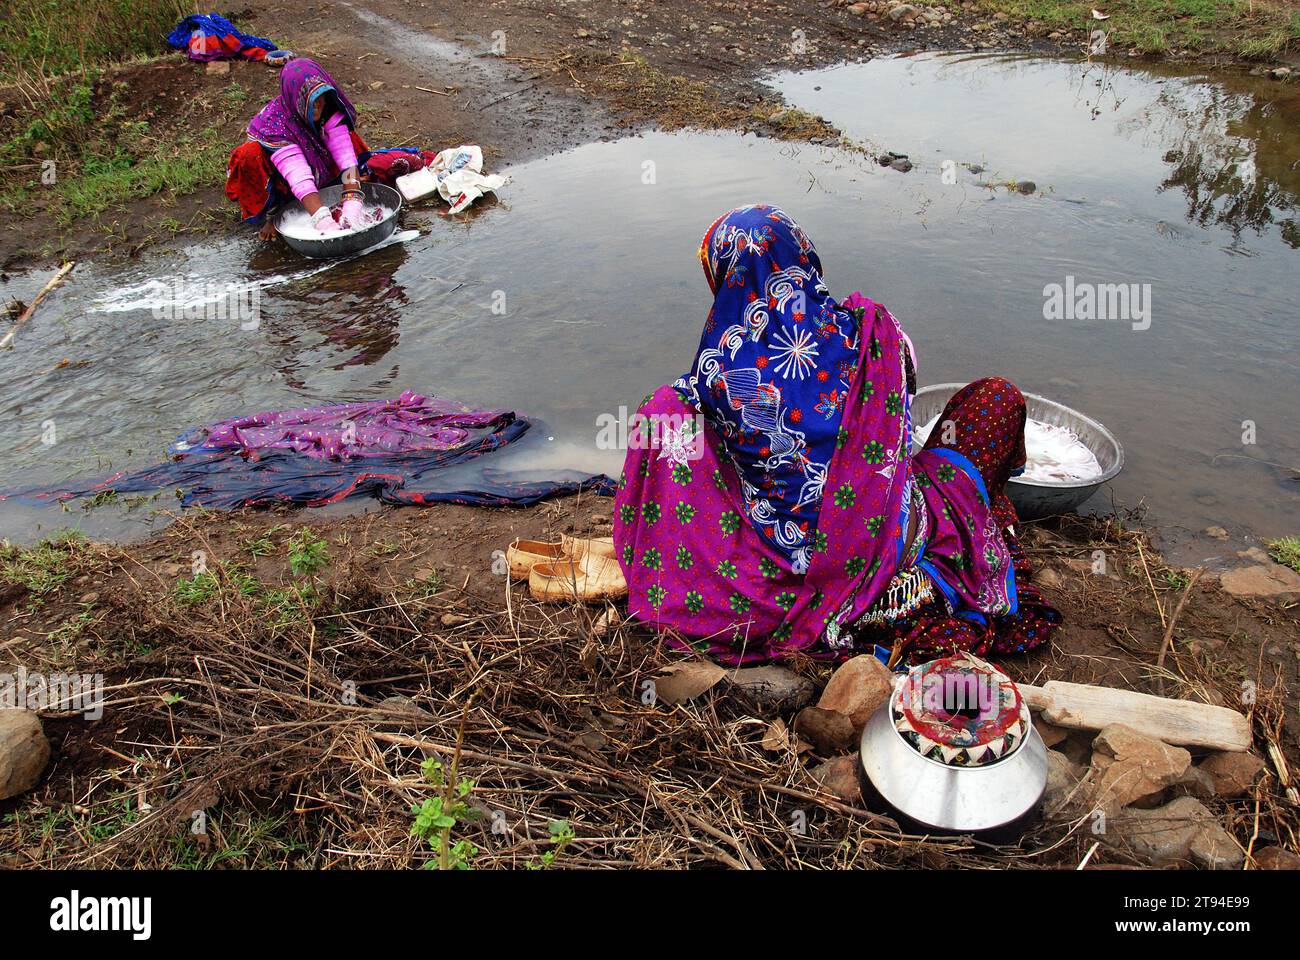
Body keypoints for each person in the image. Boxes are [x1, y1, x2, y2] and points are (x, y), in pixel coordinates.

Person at [612, 203, 1060, 667]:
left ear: (725, 277)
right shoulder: (880, 335)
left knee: (661, 415)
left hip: (794, 571)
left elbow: (680, 427)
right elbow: (899, 426)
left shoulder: (716, 376)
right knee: (995, 398)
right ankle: (935, 557)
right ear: (804, 255)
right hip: (897, 541)